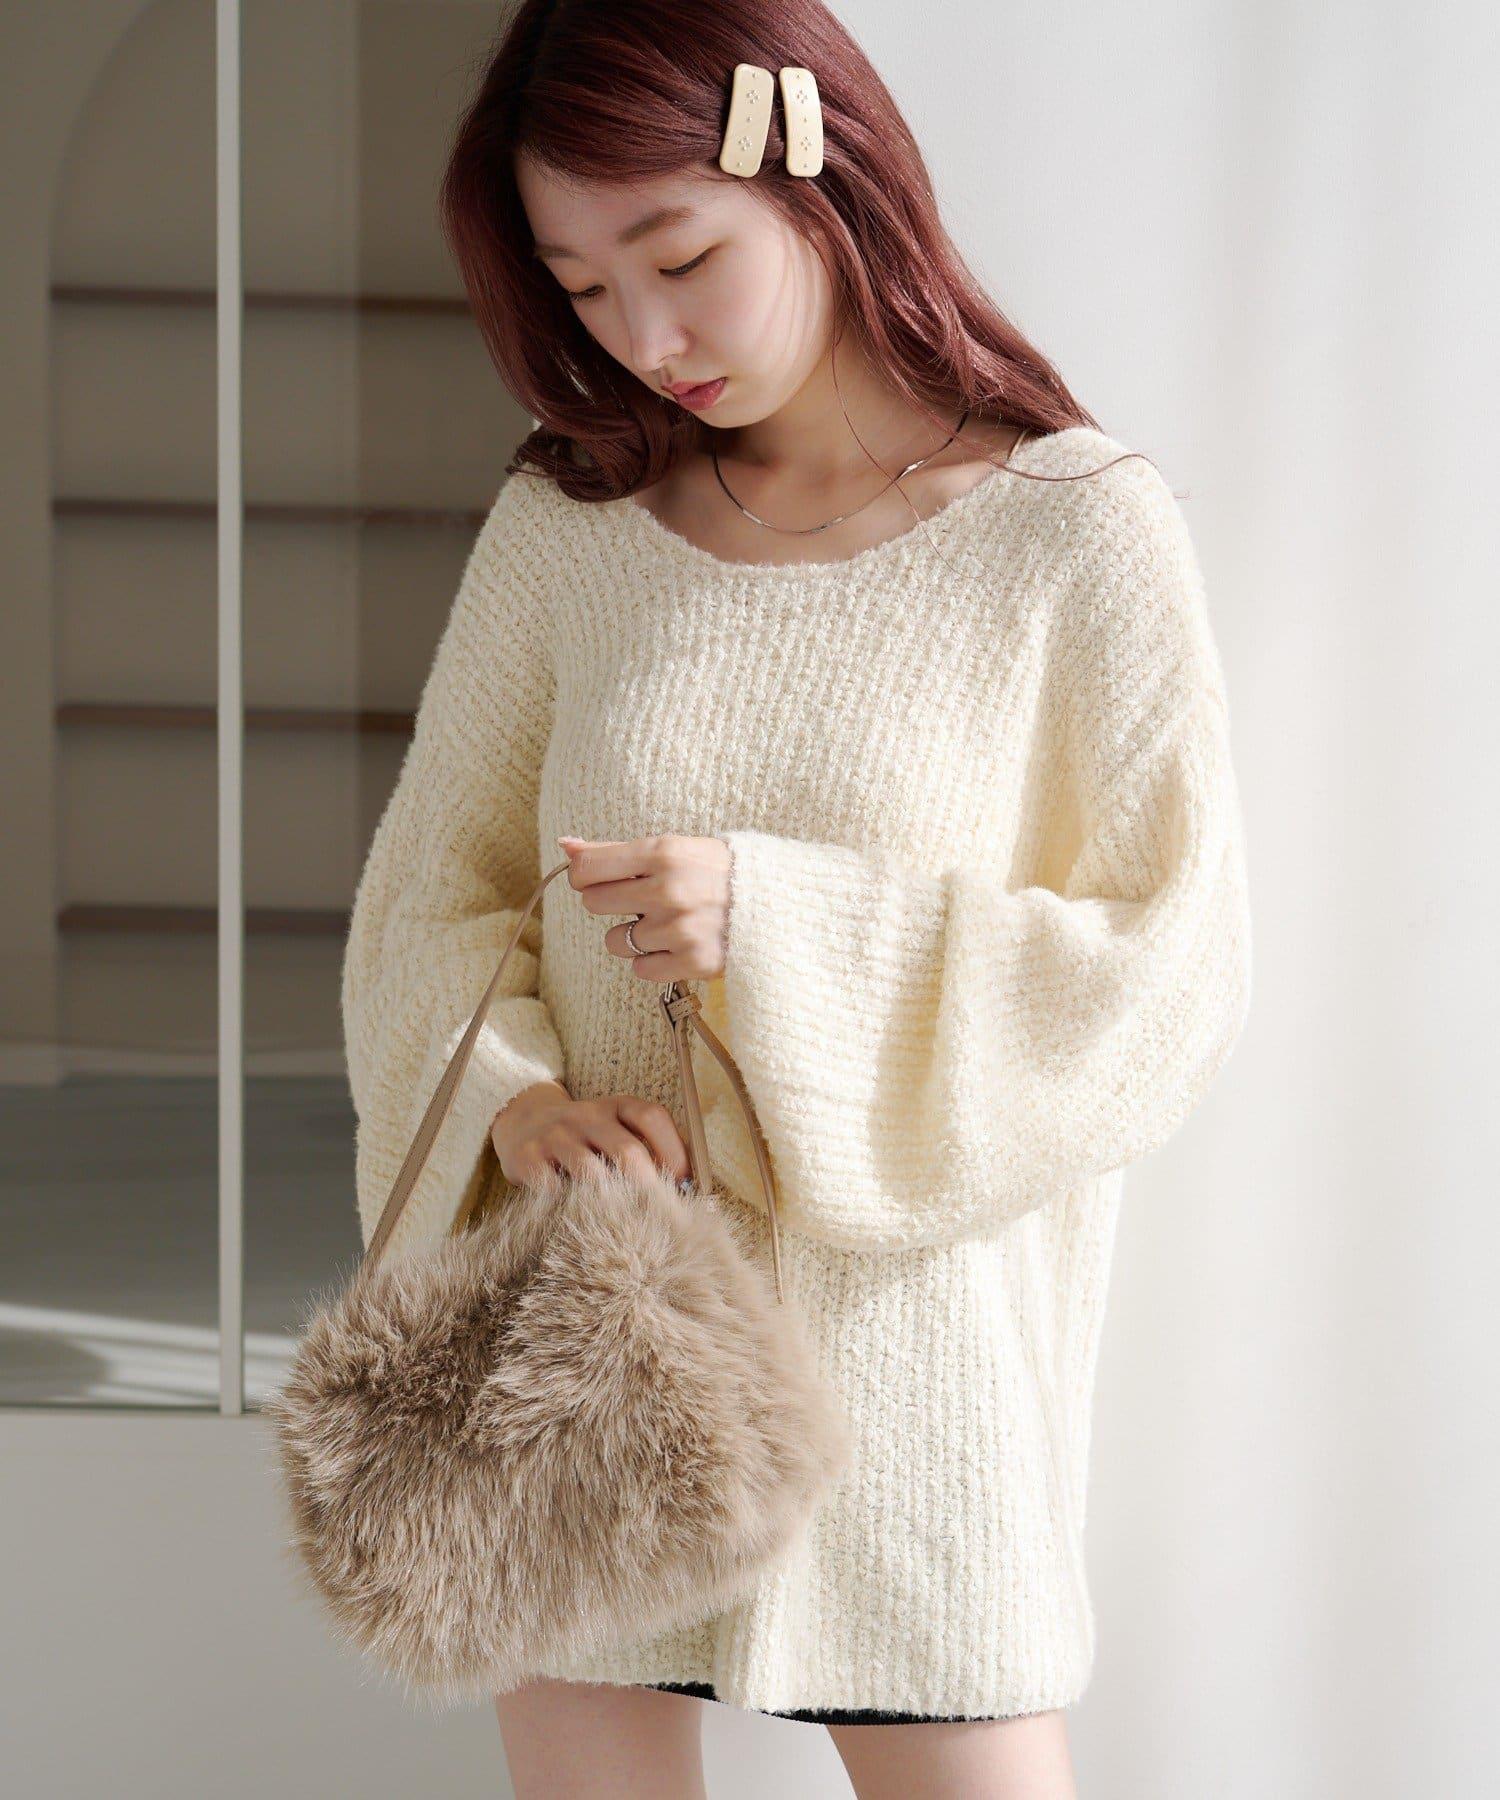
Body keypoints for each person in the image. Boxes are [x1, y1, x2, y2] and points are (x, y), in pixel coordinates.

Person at [340, 2, 1254, 1795]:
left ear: (821, 176)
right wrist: (518, 1100)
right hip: (581, 1342)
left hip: (908, 1384)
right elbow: (427, 899)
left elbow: (1169, 971)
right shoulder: (570, 526)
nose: (643, 337)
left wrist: (786, 932)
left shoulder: (1075, 532)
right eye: (583, 288)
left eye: (681, 260)